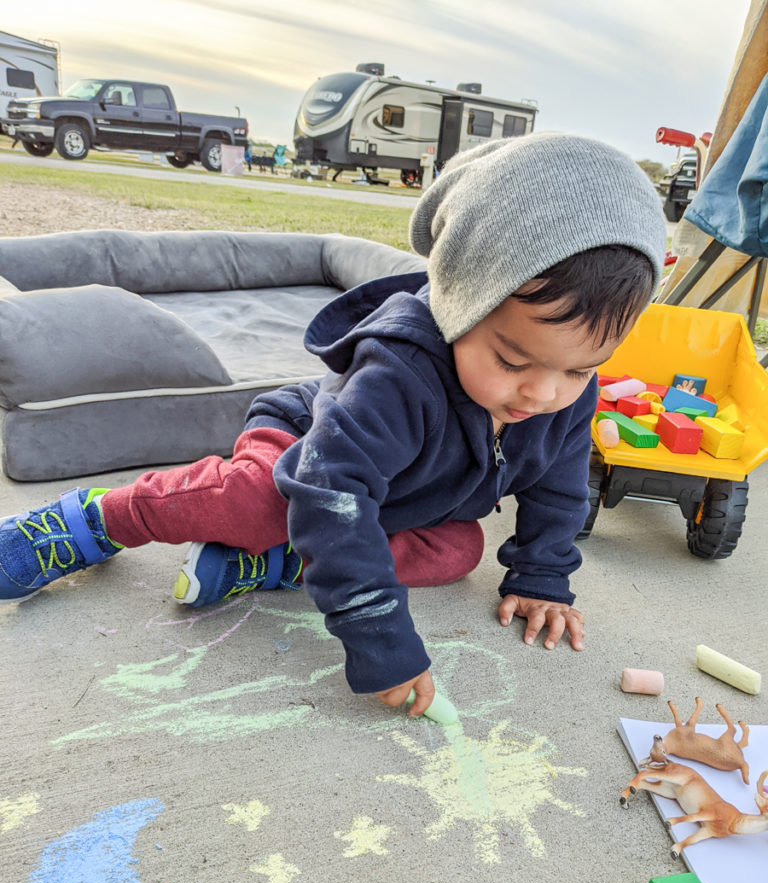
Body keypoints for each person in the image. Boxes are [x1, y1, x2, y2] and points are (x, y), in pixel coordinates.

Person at [0, 134, 665, 717]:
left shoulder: (563, 391)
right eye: (513, 358)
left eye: (580, 370)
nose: (544, 393)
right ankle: (92, 522)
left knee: (458, 552)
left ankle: (274, 562)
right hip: (307, 458)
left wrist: (541, 577)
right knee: (259, 504)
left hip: (401, 500)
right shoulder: (399, 375)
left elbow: (559, 483)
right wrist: (380, 635)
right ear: (460, 303)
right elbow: (331, 493)